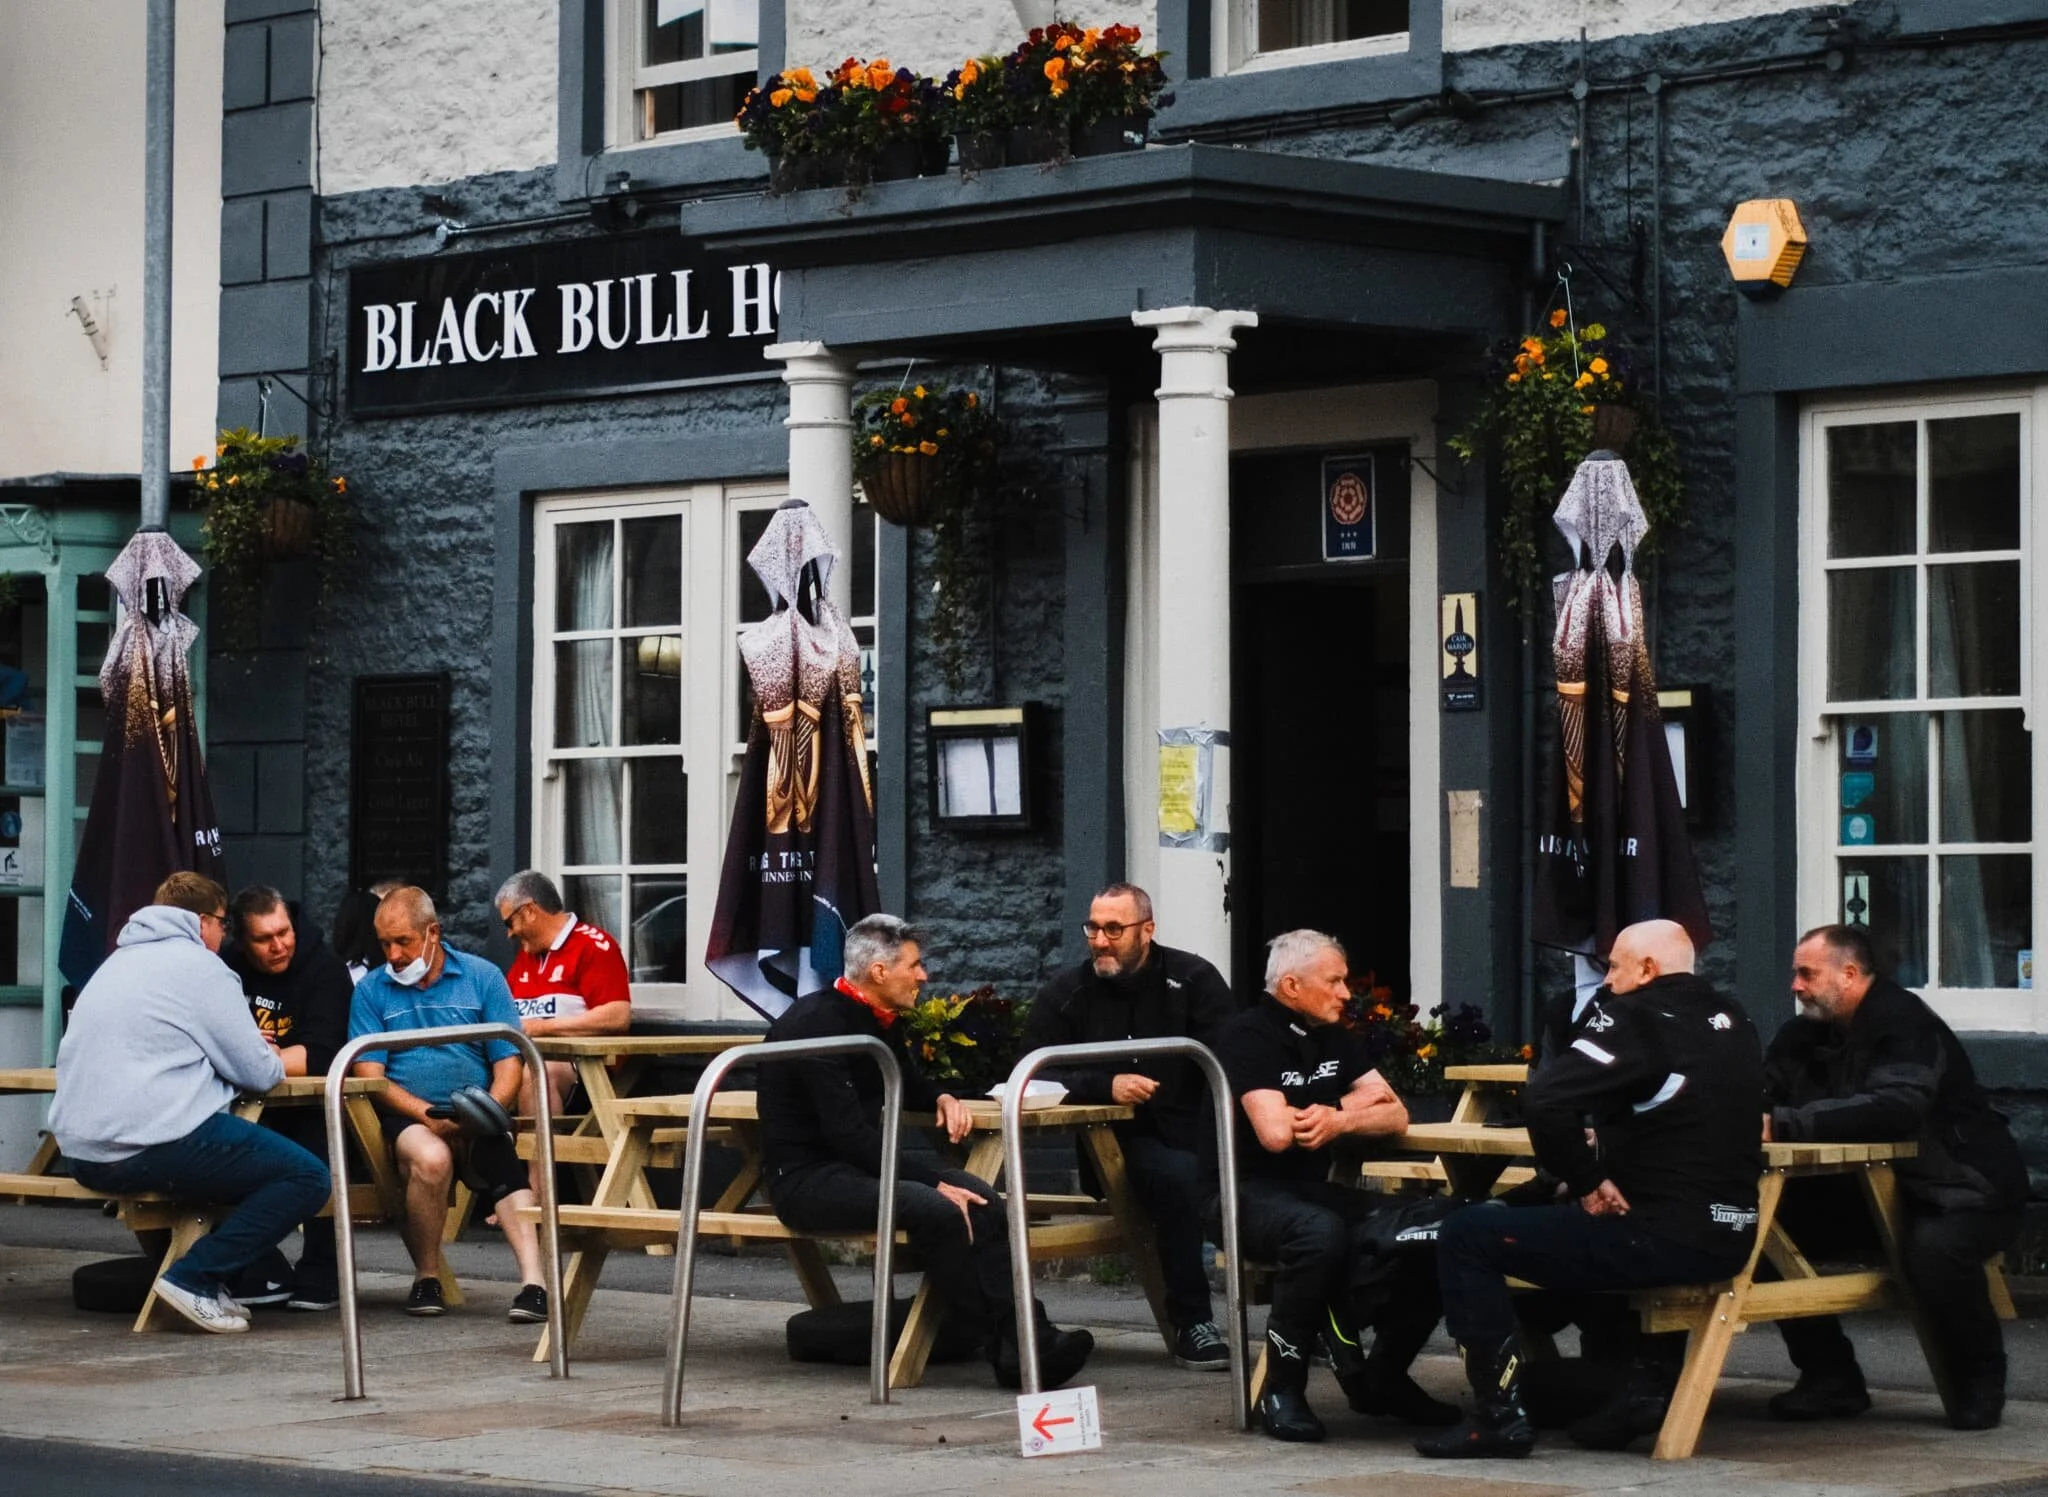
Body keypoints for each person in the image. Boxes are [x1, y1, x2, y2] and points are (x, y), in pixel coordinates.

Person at [1419, 919, 1763, 1459]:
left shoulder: (1635, 1014)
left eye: (1616, 967)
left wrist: (1586, 1179)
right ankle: (1634, 1386)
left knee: (1467, 1232)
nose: (1606, 982)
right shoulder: (1735, 1020)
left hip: (1658, 1236)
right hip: (1733, 1232)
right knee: (1560, 1215)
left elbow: (1545, 1100)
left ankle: (1498, 1418)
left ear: (1648, 969)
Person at [758, 913, 1094, 1390]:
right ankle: (1012, 1340)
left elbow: (907, 1082)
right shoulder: (818, 1025)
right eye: (914, 965)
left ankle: (1023, 1340)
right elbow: (848, 1136)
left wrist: (940, 1096)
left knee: (981, 1196)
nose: (924, 975)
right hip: (806, 1179)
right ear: (879, 973)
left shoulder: (878, 1018)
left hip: (852, 1169)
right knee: (937, 1206)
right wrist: (931, 1180)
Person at [1762, 924, 2029, 1431]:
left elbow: (1895, 1109)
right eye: (1795, 974)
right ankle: (1830, 1376)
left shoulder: (1904, 1024)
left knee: (1935, 1252)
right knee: (1753, 1231)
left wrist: (1785, 1123)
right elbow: (1760, 1093)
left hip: (1964, 1191)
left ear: (1850, 973)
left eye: (1806, 974)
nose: (1794, 986)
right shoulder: (1801, 1034)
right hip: (1869, 1192)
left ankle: (1979, 1382)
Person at [49, 873, 332, 1335]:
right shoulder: (203, 968)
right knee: (306, 1176)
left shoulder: (116, 962)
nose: (224, 936)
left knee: (236, 1168)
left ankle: (226, 1277)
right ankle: (195, 1278)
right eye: (222, 924)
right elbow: (260, 1073)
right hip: (145, 1143)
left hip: (80, 1152)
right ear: (202, 922)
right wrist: (248, 1049)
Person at [1210, 929, 1456, 1443]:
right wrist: (1344, 1110)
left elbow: (1396, 1114)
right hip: (1238, 1191)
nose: (1347, 993)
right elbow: (1277, 1134)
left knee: (1436, 1224)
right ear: (1293, 986)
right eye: (1336, 981)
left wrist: (1339, 1117)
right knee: (1319, 1234)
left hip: (1306, 1189)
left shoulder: (1333, 1035)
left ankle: (1382, 1376)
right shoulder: (1247, 1035)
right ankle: (1284, 1386)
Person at [1020, 882, 1235, 1370]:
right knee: (1178, 1178)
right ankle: (1194, 1321)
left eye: (1114, 928)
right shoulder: (1067, 993)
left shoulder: (1194, 979)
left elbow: (1233, 1060)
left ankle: (1304, 1324)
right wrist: (1103, 1084)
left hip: (1203, 1134)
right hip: (1117, 1146)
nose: (1099, 940)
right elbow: (1030, 1071)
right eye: (1093, 927)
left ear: (1148, 930)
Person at [348, 886, 549, 1322]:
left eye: (403, 941)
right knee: (432, 1158)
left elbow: (509, 1063)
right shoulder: (370, 990)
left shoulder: (482, 977)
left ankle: (535, 1284)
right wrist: (427, 1115)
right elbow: (369, 1077)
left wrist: (488, 1111)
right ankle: (426, 1276)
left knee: (501, 1158)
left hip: (476, 1109)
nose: (394, 954)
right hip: (410, 1118)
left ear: (432, 933)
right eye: (384, 943)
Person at [222, 884, 355, 1311]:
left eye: (284, 932)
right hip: (243, 1101)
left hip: (314, 1104)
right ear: (242, 942)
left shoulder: (324, 969)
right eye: (264, 939)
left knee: (319, 1145)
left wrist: (255, 1055)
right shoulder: (226, 969)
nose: (279, 945)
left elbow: (322, 1054)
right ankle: (258, 1267)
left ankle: (322, 1272)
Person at [495, 869, 631, 1192]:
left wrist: (545, 1028)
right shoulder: (527, 958)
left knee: (534, 1074)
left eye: (508, 923)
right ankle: (500, 1190)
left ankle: (537, 1192)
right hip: (530, 1061)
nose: (509, 935)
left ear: (529, 910)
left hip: (585, 1071)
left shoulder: (593, 945)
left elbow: (617, 1014)